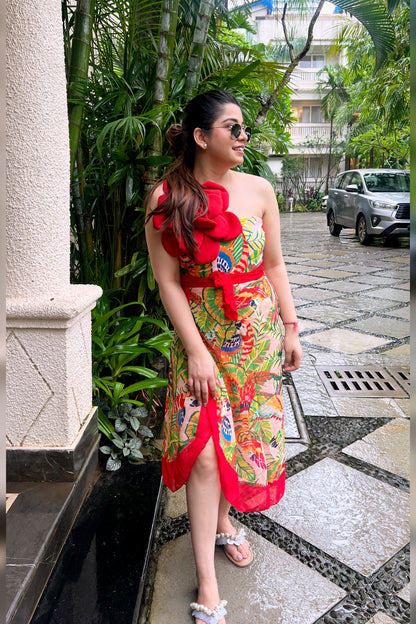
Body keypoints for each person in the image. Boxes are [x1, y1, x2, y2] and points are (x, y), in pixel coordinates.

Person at [145, 89, 302, 624]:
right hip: (202, 346)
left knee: (242, 441)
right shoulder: (167, 197)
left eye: (244, 130)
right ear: (200, 136)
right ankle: (207, 584)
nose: (242, 137)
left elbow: (275, 265)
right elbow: (167, 283)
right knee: (206, 451)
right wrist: (195, 351)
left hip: (255, 345)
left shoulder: (260, 191)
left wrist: (291, 327)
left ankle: (225, 525)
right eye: (232, 128)